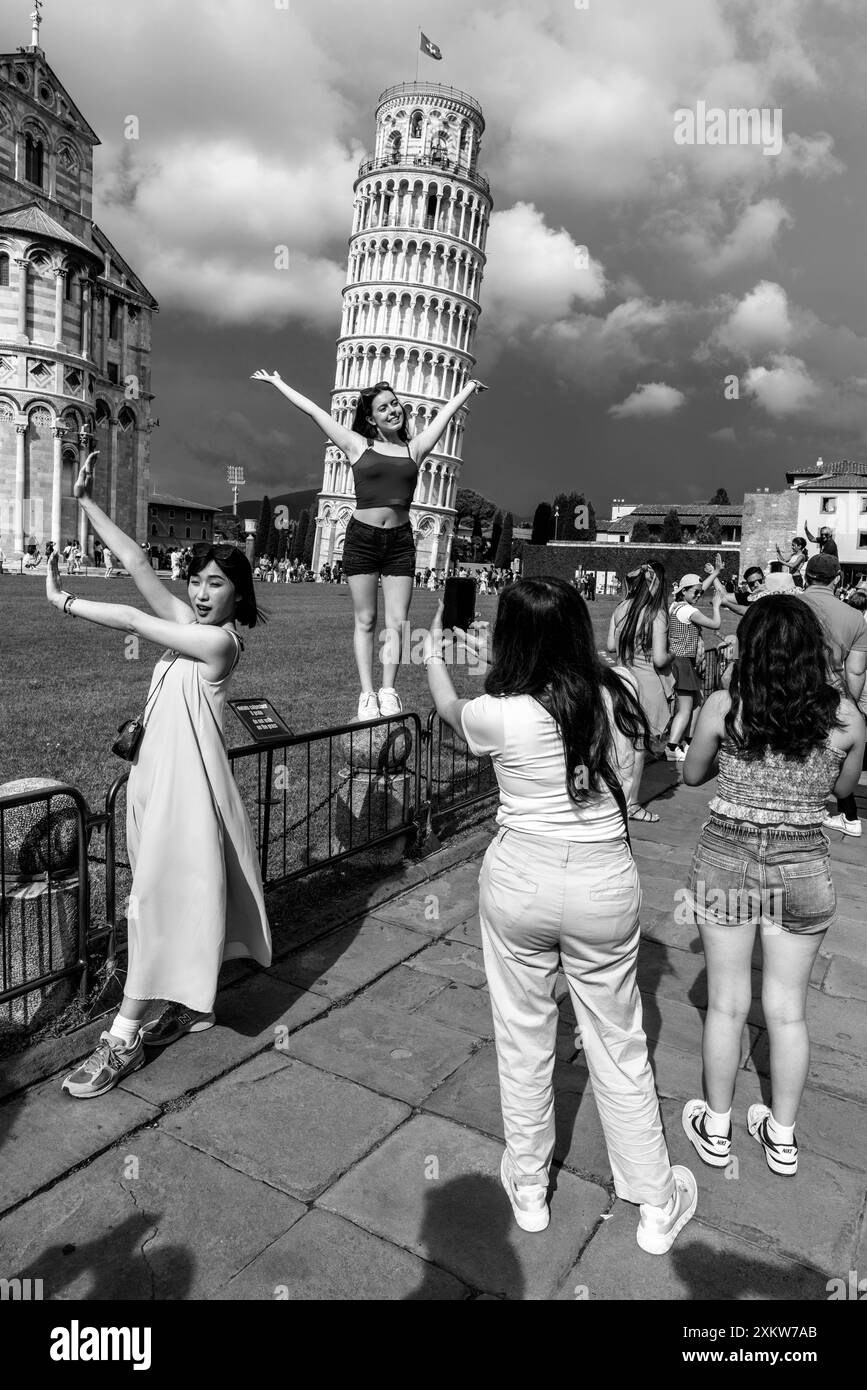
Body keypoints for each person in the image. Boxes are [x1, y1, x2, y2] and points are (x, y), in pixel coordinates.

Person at [423, 577, 697, 1250]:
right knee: (618, 1041)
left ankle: (527, 1184)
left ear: (509, 637)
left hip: (521, 874)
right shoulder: (615, 696)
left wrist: (432, 649)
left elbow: (446, 709)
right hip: (600, 874)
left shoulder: (499, 712)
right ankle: (653, 1199)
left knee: (523, 1034)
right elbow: (633, 762)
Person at [47, 453, 272, 1099]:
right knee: (161, 900)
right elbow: (141, 567)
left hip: (186, 798)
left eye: (216, 584)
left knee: (152, 906)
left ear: (238, 594)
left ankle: (121, 1036)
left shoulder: (219, 644)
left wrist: (62, 599)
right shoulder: (190, 625)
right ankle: (191, 1002)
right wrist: (86, 501)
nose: (201, 593)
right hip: (153, 787)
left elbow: (132, 619)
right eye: (196, 580)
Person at [681, 597, 864, 1177]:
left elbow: (691, 772)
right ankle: (781, 1137)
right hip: (802, 864)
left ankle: (715, 1128)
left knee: (727, 1003)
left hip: (727, 856)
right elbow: (842, 791)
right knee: (787, 1011)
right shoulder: (846, 719)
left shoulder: (725, 706)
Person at [253, 368, 487, 719]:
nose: (393, 411)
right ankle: (367, 694)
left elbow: (444, 416)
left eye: (395, 405)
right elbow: (315, 412)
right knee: (366, 620)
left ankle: (389, 690)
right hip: (362, 539)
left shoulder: (416, 448)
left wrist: (467, 388)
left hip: (400, 542)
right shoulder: (356, 444)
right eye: (383, 408)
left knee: (397, 621)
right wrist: (278, 383)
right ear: (371, 419)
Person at [797, 553, 867, 836]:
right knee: (826, 754)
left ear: (805, 577)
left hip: (787, 690)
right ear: (837, 580)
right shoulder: (854, 617)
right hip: (831, 696)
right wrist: (853, 706)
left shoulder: (788, 606)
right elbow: (856, 672)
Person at [607, 561, 674, 822]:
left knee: (617, 744)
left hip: (620, 680)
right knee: (637, 749)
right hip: (646, 686)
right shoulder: (656, 614)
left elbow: (611, 646)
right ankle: (632, 803)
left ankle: (613, 797)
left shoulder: (621, 607)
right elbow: (659, 659)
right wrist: (672, 653)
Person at [666, 569, 724, 759]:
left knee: (697, 703)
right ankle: (671, 748)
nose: (699, 595)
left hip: (682, 660)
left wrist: (716, 573)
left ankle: (688, 744)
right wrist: (716, 605)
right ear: (684, 591)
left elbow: (697, 586)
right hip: (683, 661)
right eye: (696, 593)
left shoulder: (676, 605)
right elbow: (715, 624)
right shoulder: (690, 610)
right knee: (685, 708)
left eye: (700, 592)